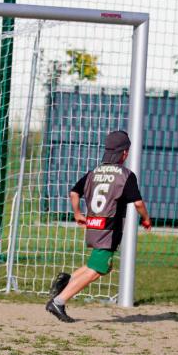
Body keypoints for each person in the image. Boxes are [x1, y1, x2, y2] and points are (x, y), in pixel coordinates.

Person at [46, 130, 151, 322]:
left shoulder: (93, 173)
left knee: (100, 265)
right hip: (109, 229)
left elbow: (74, 193)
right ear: (125, 153)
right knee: (98, 269)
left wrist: (78, 213)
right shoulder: (125, 175)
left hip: (94, 226)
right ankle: (59, 301)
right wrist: (146, 218)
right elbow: (138, 203)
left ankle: (65, 282)